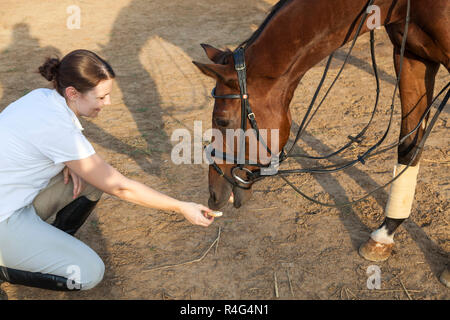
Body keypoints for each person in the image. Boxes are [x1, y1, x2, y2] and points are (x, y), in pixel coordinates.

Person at [0, 49, 214, 291]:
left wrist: (69, 164)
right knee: (88, 273)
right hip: (5, 218)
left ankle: (50, 243)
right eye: (101, 97)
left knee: (90, 178)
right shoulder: (56, 127)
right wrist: (182, 206)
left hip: (13, 202)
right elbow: (121, 187)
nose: (108, 103)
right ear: (72, 93)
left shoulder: (42, 97)